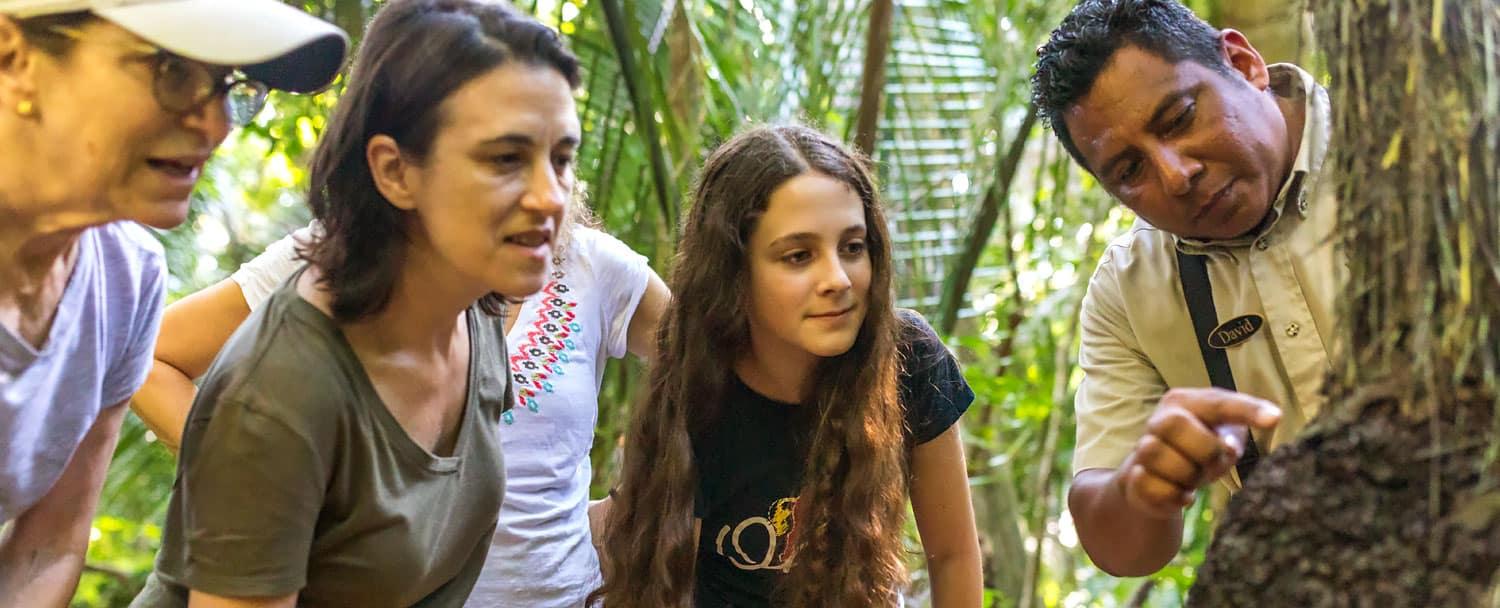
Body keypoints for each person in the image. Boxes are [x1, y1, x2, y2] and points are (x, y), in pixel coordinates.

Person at [127, 0, 587, 605]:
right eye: (505, 159)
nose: (550, 197)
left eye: (561, 159)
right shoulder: (287, 385)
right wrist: (261, 476)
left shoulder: (473, 315)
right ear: (395, 171)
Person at [133, 199, 666, 606]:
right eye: (504, 151)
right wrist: (272, 488)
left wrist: (634, 513)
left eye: (559, 151)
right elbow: (148, 358)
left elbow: (718, 373)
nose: (539, 184)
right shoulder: (330, 266)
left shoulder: (596, 267)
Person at [0, 1, 345, 605]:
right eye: (172, 71)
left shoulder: (124, 278)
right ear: (14, 56)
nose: (216, 126)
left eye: (227, 85)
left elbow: (44, 550)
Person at [595, 124, 983, 608]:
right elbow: (665, 589)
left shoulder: (908, 358)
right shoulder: (700, 386)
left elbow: (953, 557)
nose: (837, 279)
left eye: (852, 247)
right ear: (735, 273)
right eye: (799, 256)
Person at [1031, 0, 1338, 577]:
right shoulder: (1131, 289)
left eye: (1179, 119)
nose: (1175, 175)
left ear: (1244, 62)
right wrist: (1142, 488)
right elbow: (1119, 545)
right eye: (1130, 171)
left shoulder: (1420, 152)